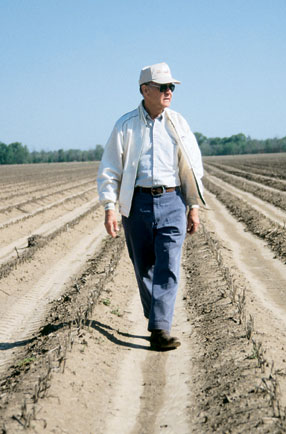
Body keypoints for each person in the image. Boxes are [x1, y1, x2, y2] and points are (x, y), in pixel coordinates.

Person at [97, 62, 205, 351]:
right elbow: (110, 169)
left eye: (172, 87)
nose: (169, 91)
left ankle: (159, 328)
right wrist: (110, 206)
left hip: (172, 200)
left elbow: (191, 167)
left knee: (168, 264)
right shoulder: (125, 125)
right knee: (143, 265)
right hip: (137, 203)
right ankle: (157, 314)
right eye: (163, 87)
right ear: (145, 90)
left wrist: (193, 206)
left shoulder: (178, 123)